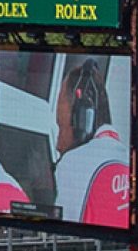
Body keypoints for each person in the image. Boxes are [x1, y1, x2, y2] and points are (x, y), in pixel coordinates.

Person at [51, 58, 130, 229]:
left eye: (61, 128)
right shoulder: (130, 158)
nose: (58, 144)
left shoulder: (73, 164)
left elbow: (62, 232)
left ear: (83, 121)